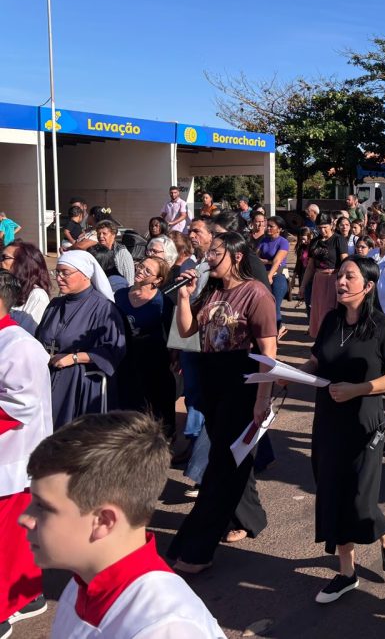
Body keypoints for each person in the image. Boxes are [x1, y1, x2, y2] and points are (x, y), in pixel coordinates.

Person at [19, 412, 224, 636]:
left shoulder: (163, 627)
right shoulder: (84, 579)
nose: (24, 519)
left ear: (103, 521)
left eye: (42, 506)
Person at [291, 257, 385, 603]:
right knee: (333, 492)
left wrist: (358, 389)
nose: (340, 281)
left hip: (365, 420)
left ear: (367, 286)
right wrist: (290, 373)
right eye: (339, 275)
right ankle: (346, 573)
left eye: (348, 277)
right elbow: (317, 361)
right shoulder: (331, 320)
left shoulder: (383, 326)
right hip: (328, 418)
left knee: (359, 499)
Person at [167, 232, 277, 573]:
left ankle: (197, 549)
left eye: (215, 252)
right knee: (229, 462)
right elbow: (187, 332)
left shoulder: (256, 293)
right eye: (208, 251)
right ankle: (250, 518)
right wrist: (184, 296)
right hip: (212, 383)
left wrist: (262, 399)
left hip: (241, 385)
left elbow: (268, 352)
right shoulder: (212, 291)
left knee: (222, 468)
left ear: (236, 255)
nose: (208, 257)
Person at [0, 271, 52, 638]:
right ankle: (29, 596)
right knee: (16, 536)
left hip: (14, 458)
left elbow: (20, 405)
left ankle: (5, 610)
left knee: (8, 538)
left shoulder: (19, 345)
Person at [35, 251, 126, 429]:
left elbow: (114, 349)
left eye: (65, 273)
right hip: (48, 379)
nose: (59, 278)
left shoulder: (103, 308)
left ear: (85, 275)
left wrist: (74, 358)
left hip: (80, 384)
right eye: (57, 272)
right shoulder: (54, 305)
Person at [114, 256, 176, 438]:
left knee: (154, 412)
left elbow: (172, 336)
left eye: (148, 270)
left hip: (154, 366)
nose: (141, 270)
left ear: (158, 280)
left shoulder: (163, 303)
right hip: (125, 363)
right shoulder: (119, 296)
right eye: (141, 266)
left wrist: (174, 358)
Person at [300, 213, 348, 339]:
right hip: (318, 280)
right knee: (318, 310)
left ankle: (331, 338)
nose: (322, 230)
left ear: (331, 225)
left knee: (330, 310)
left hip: (334, 278)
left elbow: (345, 262)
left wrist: (343, 281)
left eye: (325, 227)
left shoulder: (338, 240)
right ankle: (320, 338)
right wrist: (303, 285)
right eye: (320, 228)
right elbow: (310, 266)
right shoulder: (314, 242)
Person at [1, 240, 50, 335]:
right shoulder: (8, 289)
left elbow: (28, 334)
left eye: (4, 258)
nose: (1, 261)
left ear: (22, 263)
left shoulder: (37, 295)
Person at [257, 216, 290, 335]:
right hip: (263, 275)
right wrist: (267, 262)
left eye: (272, 226)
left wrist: (270, 275)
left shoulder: (283, 242)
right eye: (268, 226)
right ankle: (274, 329)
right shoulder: (264, 240)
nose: (268, 228)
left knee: (274, 306)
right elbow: (255, 257)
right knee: (262, 306)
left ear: (280, 229)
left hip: (277, 276)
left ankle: (275, 332)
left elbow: (277, 261)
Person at [95, 220, 135, 286]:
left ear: (113, 235)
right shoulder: (95, 250)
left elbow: (129, 280)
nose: (100, 236)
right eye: (99, 233)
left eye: (104, 233)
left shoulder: (122, 252)